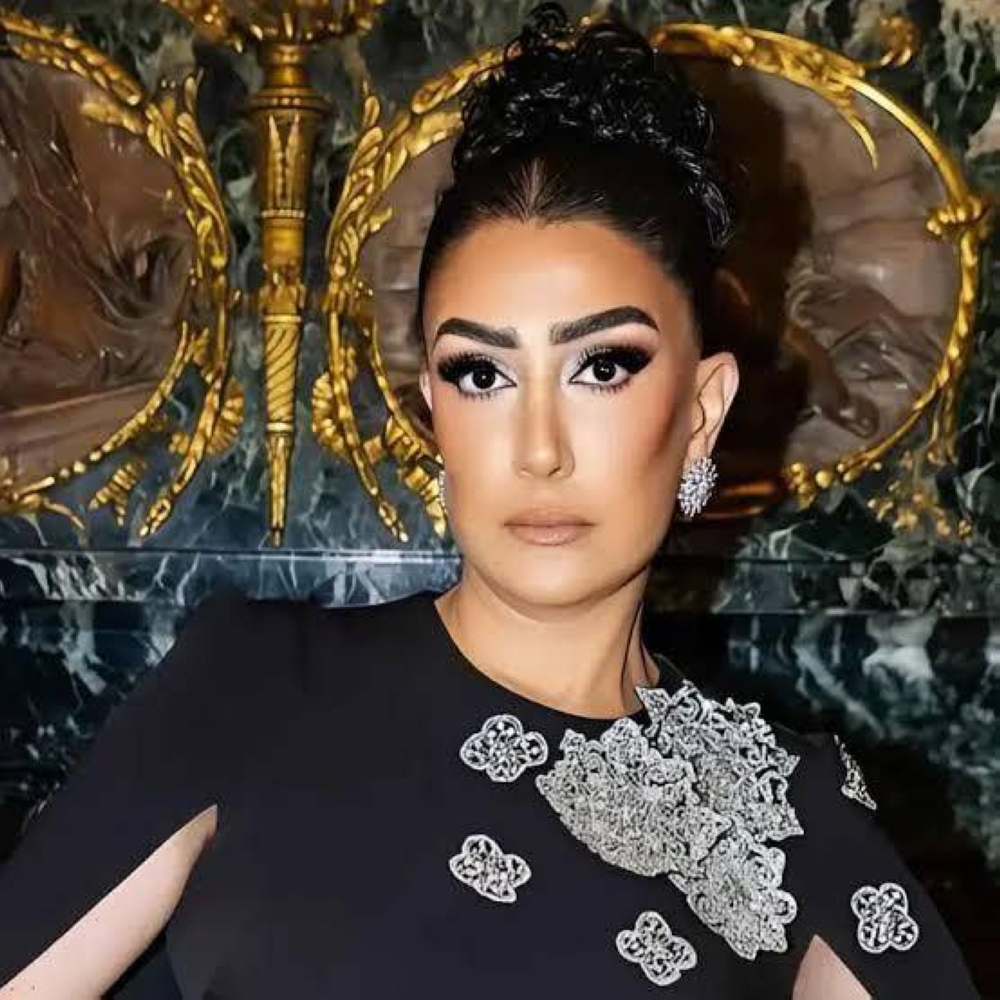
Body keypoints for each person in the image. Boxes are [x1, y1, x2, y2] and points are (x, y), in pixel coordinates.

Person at [0, 5, 978, 997]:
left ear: (700, 411)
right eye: (482, 374)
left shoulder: (792, 814)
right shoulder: (255, 682)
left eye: (602, 367)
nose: (539, 449)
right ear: (434, 406)